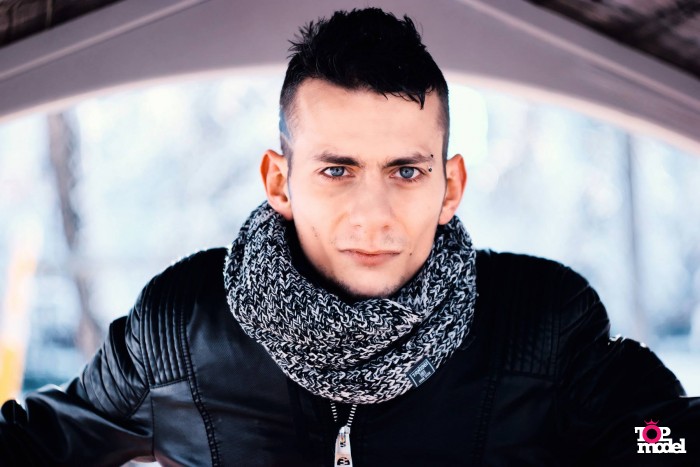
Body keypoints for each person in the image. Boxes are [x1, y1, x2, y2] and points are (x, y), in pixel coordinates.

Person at [1, 7, 698, 466]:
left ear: (450, 185)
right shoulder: (183, 324)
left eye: (406, 171)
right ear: (280, 181)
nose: (374, 214)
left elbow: (662, 436)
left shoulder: (542, 322)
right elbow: (40, 441)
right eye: (337, 170)